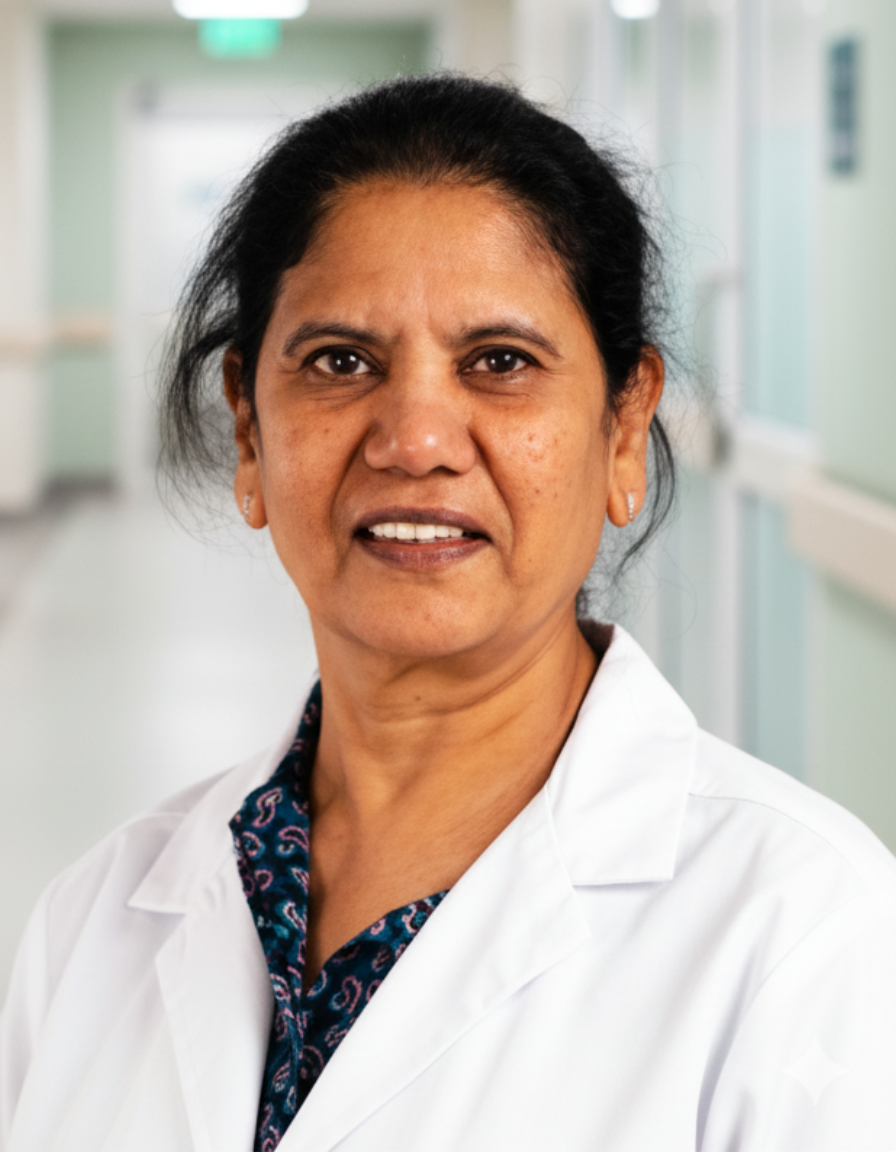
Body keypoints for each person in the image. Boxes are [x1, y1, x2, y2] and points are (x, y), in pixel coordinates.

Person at [2, 74, 896, 1152]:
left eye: (499, 363)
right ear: (248, 430)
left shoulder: (808, 933)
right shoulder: (91, 925)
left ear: (623, 429)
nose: (415, 440)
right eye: (340, 362)